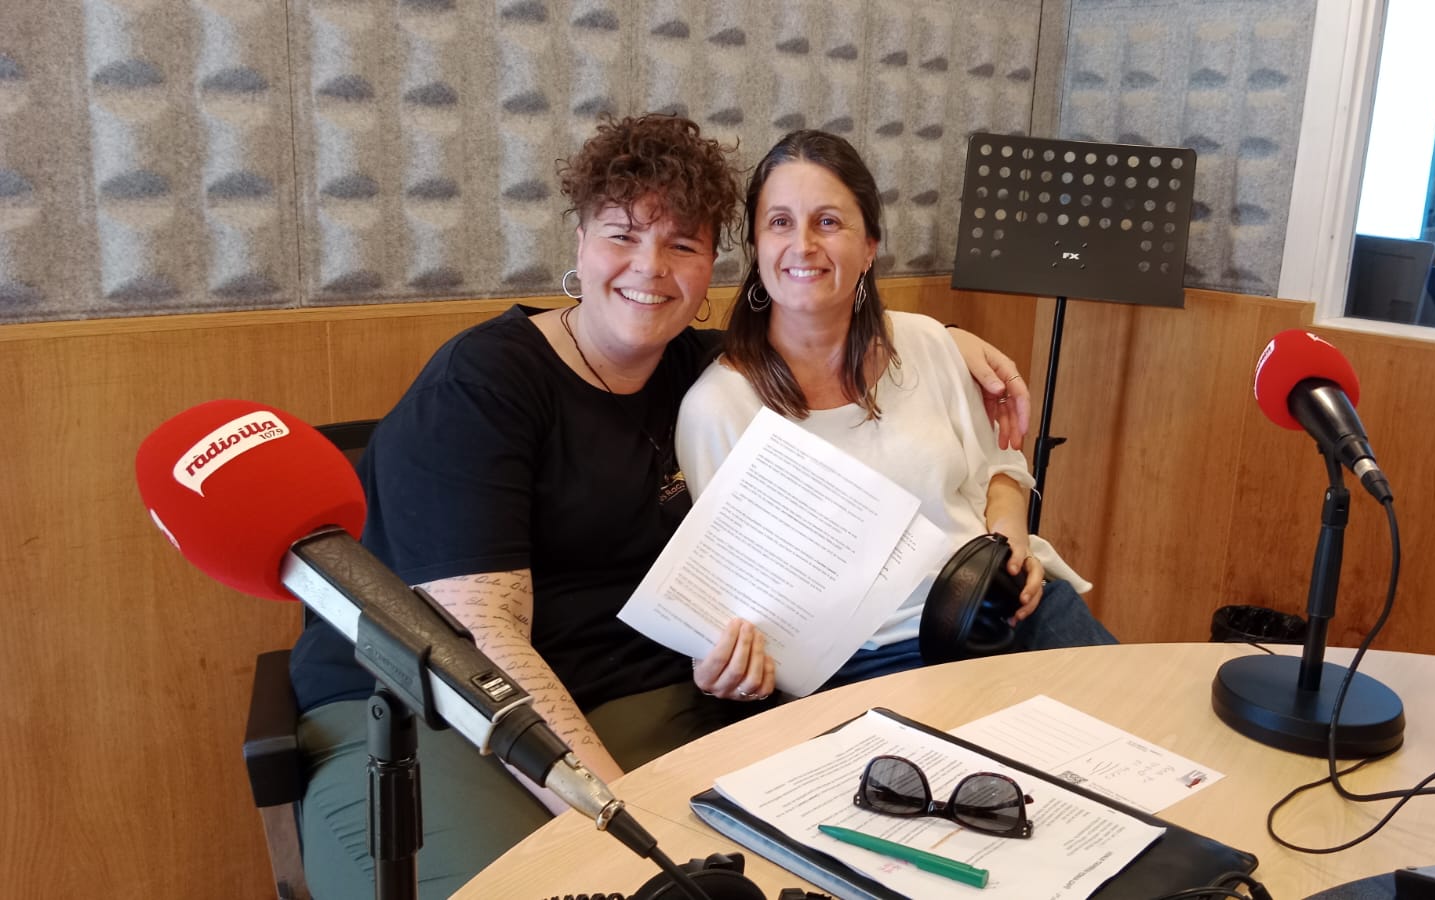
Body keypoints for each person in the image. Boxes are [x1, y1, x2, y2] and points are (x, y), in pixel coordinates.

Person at [287, 114, 1033, 898]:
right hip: (432, 710)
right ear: (580, 242)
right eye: (622, 236)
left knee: (828, 865)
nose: (651, 268)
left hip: (640, 694)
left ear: (712, 268)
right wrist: (618, 818)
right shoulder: (482, 386)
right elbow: (485, 642)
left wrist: (950, 341)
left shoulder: (696, 372)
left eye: (682, 245)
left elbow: (834, 337)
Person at [675, 129, 1116, 691]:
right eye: (780, 222)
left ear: (869, 247)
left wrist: (1011, 541)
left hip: (1005, 612)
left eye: (827, 222)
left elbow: (999, 469)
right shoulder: (718, 408)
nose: (803, 245)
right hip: (863, 663)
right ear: (756, 247)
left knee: (1143, 727)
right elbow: (732, 591)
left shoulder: (929, 342)